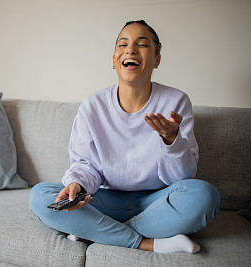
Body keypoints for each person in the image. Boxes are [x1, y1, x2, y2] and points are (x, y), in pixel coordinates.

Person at [29, 20, 220, 254]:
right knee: (40, 196)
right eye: (123, 44)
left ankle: (96, 231)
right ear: (114, 59)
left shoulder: (176, 102)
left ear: (157, 59)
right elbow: (85, 165)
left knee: (204, 195)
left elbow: (182, 178)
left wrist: (172, 142)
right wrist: (76, 185)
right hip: (105, 200)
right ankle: (148, 243)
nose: (130, 50)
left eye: (142, 44)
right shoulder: (93, 106)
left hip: (157, 201)